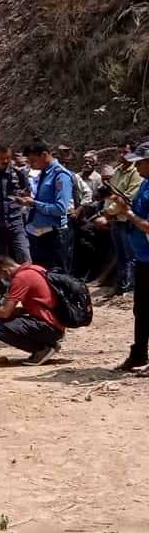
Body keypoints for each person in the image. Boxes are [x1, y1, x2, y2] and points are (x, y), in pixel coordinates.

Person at [110, 141, 149, 371]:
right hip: (143, 258)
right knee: (141, 309)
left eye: (140, 162)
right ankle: (139, 354)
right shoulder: (144, 184)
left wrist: (129, 214)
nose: (137, 166)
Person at [0, 256, 65, 366]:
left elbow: (5, 312)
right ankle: (49, 344)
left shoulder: (20, 278)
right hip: (56, 324)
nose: (5, 280)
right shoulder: (36, 269)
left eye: (2, 277)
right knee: (10, 319)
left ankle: (41, 349)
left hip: (48, 326)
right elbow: (38, 304)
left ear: (5, 270)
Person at [17, 140, 73, 272]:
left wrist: (33, 203)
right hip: (38, 233)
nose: (31, 165)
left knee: (57, 275)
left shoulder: (61, 175)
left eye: (33, 160)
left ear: (44, 155)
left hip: (54, 235)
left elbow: (60, 208)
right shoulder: (43, 173)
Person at [0, 144, 31, 264]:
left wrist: (21, 206)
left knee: (24, 256)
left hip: (16, 223)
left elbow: (27, 192)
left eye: (8, 158)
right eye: (2, 158)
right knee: (0, 261)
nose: (5, 161)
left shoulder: (18, 174)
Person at [107, 140, 144, 294]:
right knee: (120, 254)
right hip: (116, 219)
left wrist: (108, 212)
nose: (122, 155)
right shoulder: (117, 171)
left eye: (125, 152)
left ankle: (129, 287)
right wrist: (108, 212)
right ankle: (121, 286)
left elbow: (129, 197)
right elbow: (111, 194)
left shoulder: (137, 173)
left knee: (131, 255)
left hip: (127, 219)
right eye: (120, 152)